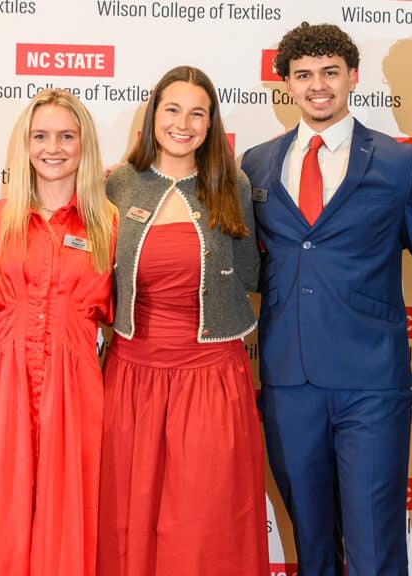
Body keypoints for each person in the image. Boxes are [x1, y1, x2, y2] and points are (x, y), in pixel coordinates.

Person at [241, 23, 412, 576]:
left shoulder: (399, 162)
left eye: (329, 72)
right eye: (303, 75)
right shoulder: (256, 163)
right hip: (288, 384)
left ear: (352, 77)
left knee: (374, 549)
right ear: (287, 84)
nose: (317, 85)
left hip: (371, 384)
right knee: (312, 548)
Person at [98, 65, 266, 576]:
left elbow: (250, 274)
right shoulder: (118, 182)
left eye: (197, 113)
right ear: (153, 115)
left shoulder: (232, 184)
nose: (183, 123)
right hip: (131, 377)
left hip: (211, 377)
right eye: (172, 109)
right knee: (129, 518)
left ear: (211, 123)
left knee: (205, 522)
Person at [0, 89, 116, 576]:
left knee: (67, 515)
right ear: (24, 145)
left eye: (67, 136)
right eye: (41, 136)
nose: (53, 148)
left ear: (84, 145)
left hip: (77, 387)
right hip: (3, 383)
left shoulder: (109, 224)